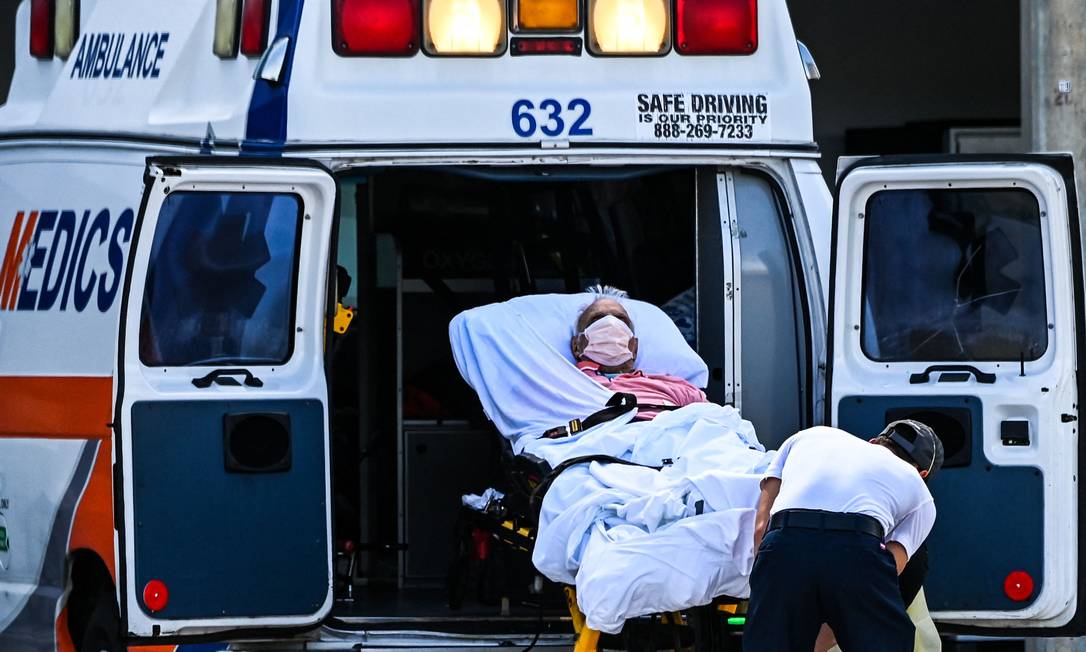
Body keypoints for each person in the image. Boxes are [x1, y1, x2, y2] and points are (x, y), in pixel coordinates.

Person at [744, 420, 944, 652]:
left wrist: (774, 585)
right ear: (922, 473)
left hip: (784, 541)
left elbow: (761, 528)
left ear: (873, 441)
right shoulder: (922, 496)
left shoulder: (809, 436)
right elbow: (889, 569)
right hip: (857, 548)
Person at [570, 286, 707, 420]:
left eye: (621, 320)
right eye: (597, 319)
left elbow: (716, 422)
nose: (610, 324)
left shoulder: (675, 387)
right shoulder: (564, 385)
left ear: (634, 348)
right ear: (576, 346)